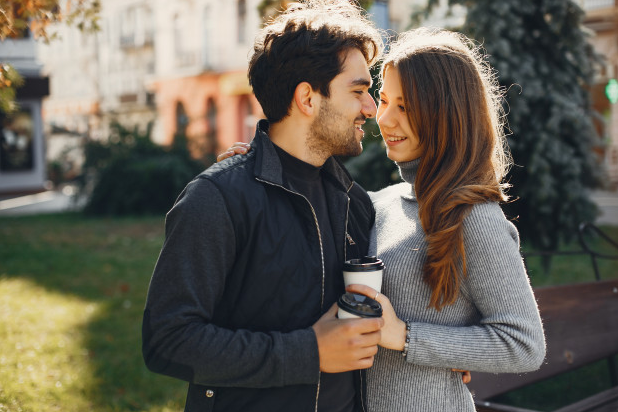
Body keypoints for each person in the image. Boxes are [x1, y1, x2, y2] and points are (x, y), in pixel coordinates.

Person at [221, 28, 546, 411]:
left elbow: (524, 344)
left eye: (405, 107)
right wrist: (261, 167)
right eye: (385, 100)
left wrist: (406, 336)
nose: (384, 118)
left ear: (447, 113)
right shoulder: (381, 203)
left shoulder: (474, 217)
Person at [141, 1, 386, 411]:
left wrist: (445, 356)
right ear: (307, 98)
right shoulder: (217, 199)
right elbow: (168, 340)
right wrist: (309, 353)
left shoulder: (354, 203)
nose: (371, 108)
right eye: (359, 91)